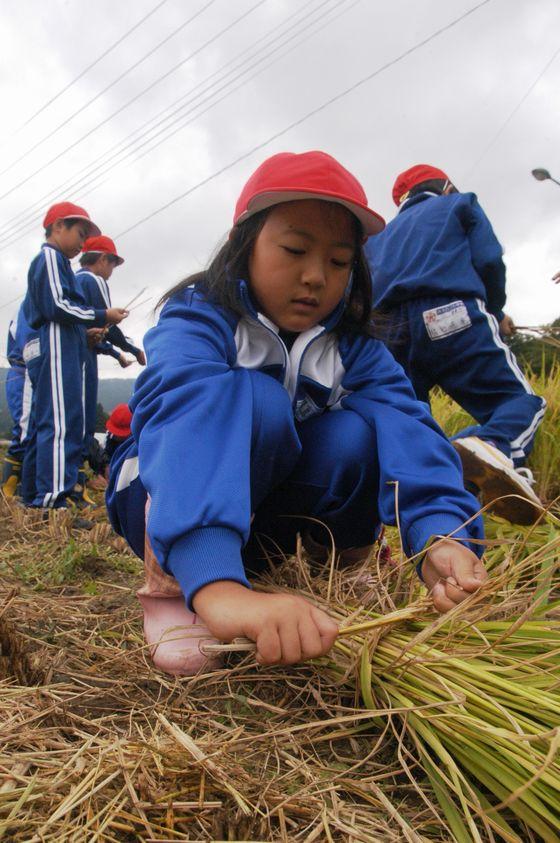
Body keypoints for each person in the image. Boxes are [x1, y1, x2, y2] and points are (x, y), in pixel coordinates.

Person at [106, 151, 486, 678]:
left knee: (358, 431)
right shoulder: (197, 318)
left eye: (338, 262)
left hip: (261, 517)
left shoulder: (354, 347)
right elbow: (183, 415)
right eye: (294, 249)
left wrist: (443, 534)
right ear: (245, 246)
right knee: (254, 399)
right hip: (162, 494)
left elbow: (410, 429)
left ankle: (346, 567)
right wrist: (218, 588)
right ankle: (186, 585)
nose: (314, 277)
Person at [365, 164, 546, 525]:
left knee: (413, 427)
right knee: (520, 401)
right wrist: (495, 311)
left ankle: (432, 506)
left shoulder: (378, 238)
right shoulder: (459, 203)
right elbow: (489, 259)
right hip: (450, 312)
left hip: (387, 332)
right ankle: (491, 445)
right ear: (445, 187)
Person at [21, 202, 128, 512]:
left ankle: (38, 495)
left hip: (64, 342)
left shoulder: (59, 264)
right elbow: (56, 306)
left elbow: (59, 309)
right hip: (55, 347)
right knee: (59, 423)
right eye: (80, 234)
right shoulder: (50, 258)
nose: (83, 243)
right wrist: (100, 314)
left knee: (55, 421)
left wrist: (86, 334)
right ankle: (54, 500)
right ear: (58, 227)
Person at [75, 235, 145, 497]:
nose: (112, 271)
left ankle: (79, 473)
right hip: (81, 358)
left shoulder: (74, 281)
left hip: (79, 351)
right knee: (80, 414)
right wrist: (133, 349)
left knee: (77, 413)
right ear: (103, 259)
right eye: (113, 264)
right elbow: (108, 326)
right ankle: (78, 475)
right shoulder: (93, 281)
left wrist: (116, 354)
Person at [1, 305, 37, 497]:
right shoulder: (28, 306)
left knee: (32, 430)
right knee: (25, 432)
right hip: (24, 373)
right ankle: (11, 489)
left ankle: (23, 487)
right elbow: (28, 339)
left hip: (29, 373)